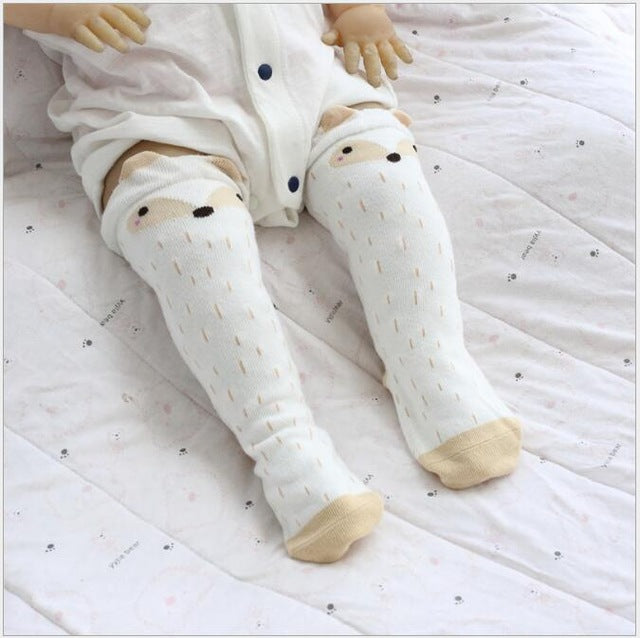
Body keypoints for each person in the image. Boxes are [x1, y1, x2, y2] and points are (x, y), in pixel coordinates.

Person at [4, 3, 522, 563]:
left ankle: (432, 366)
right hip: (162, 122)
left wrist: (356, 10)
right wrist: (53, 10)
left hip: (317, 95)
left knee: (383, 183)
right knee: (186, 240)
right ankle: (285, 448)